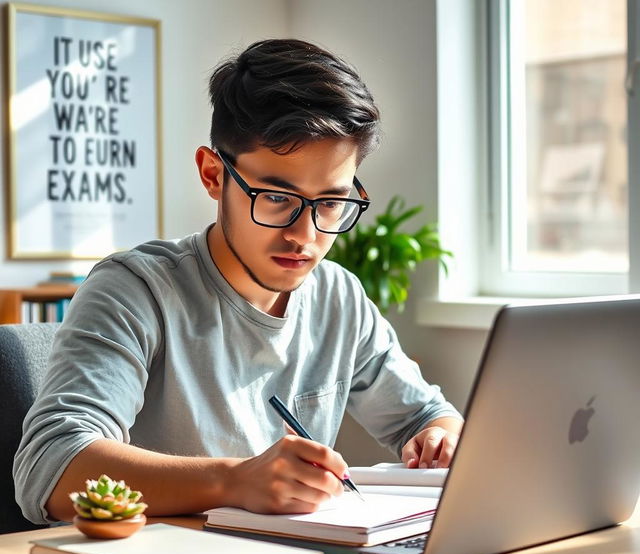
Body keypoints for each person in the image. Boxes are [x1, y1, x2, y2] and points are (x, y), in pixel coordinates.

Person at [13, 39, 463, 525]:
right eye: (275, 198)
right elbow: (50, 469)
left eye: (331, 203)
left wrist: (442, 437)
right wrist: (233, 482)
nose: (304, 236)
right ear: (212, 174)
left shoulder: (338, 298)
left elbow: (427, 418)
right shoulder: (135, 290)